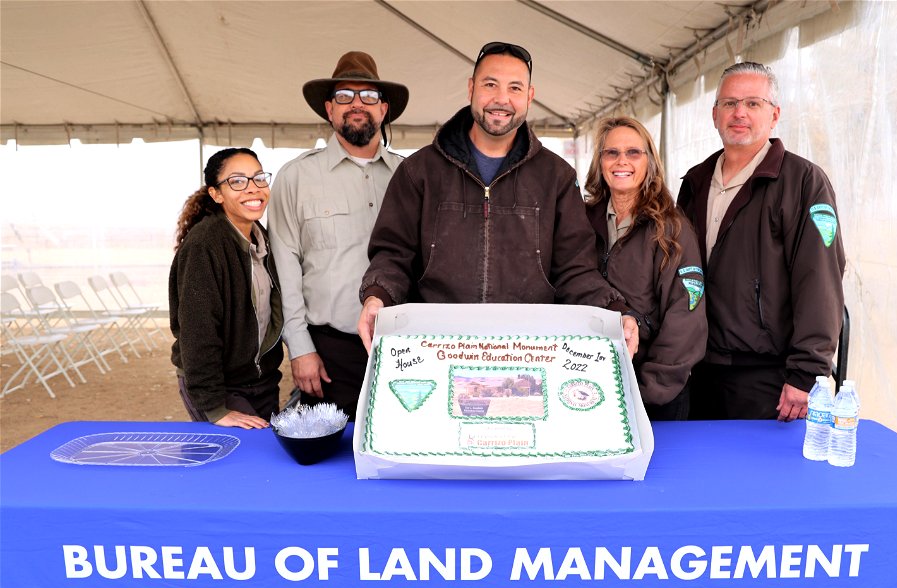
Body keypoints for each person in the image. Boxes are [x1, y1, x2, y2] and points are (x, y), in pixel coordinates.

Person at [358, 41, 639, 355]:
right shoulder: (418, 171)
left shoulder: (556, 177)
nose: (502, 99)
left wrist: (616, 312)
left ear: (530, 96)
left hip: (527, 352)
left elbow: (575, 270)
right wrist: (376, 296)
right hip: (436, 350)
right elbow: (393, 255)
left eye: (515, 88)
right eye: (490, 84)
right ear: (471, 88)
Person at [677, 61, 845, 421]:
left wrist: (806, 372)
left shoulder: (803, 182)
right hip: (698, 369)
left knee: (757, 477)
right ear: (714, 114)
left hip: (768, 377)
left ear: (774, 114)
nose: (740, 113)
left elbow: (819, 280)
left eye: (753, 103)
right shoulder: (695, 181)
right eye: (729, 103)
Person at [269, 51, 408, 420]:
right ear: (329, 109)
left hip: (404, 347)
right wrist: (300, 348)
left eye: (369, 96)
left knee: (402, 454)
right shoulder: (295, 177)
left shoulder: (411, 176)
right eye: (345, 96)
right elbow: (285, 268)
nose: (356, 104)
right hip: (330, 351)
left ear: (384, 110)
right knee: (328, 463)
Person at [584, 117, 706, 420]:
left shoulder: (672, 230)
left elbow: (685, 320)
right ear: (600, 163)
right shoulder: (581, 221)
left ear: (649, 161)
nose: (621, 161)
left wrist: (647, 391)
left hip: (652, 395)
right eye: (611, 153)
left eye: (633, 152)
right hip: (586, 384)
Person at [169, 148, 283, 429]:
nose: (252, 188)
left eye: (258, 178)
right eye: (237, 181)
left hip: (261, 381)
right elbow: (197, 330)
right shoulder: (204, 245)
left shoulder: (262, 238)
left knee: (264, 465)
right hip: (220, 386)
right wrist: (214, 408)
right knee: (241, 463)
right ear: (216, 194)